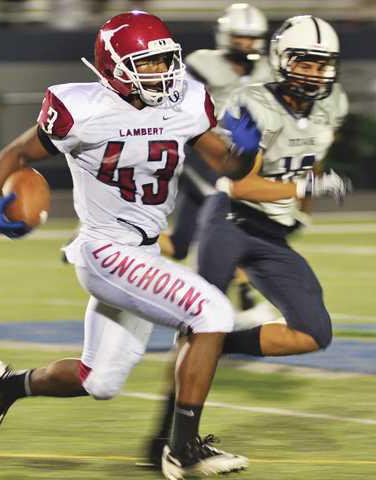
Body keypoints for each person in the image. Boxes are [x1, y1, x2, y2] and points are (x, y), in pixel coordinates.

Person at [0, 11, 263, 479]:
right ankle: (182, 449)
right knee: (211, 313)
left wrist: (245, 149)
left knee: (100, 381)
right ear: (114, 67)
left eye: (165, 61)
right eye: (147, 64)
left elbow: (228, 166)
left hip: (145, 253)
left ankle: (7, 387)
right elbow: (20, 152)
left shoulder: (186, 102)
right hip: (105, 250)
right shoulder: (81, 109)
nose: (161, 72)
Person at [144, 14, 350, 470]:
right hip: (231, 223)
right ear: (281, 60)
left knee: (313, 331)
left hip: (271, 232)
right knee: (202, 325)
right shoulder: (253, 103)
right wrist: (304, 189)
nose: (314, 73)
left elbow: (311, 158)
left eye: (322, 64)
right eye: (305, 62)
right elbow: (241, 185)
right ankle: (168, 440)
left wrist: (302, 208)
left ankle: (217, 343)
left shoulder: (333, 103)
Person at [159, 3, 272, 311]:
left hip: (238, 161)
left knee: (179, 246)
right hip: (200, 155)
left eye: (252, 38)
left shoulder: (268, 70)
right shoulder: (202, 64)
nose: (246, 44)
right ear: (225, 36)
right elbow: (178, 106)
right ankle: (245, 293)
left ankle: (118, 236)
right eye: (240, 37)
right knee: (228, 209)